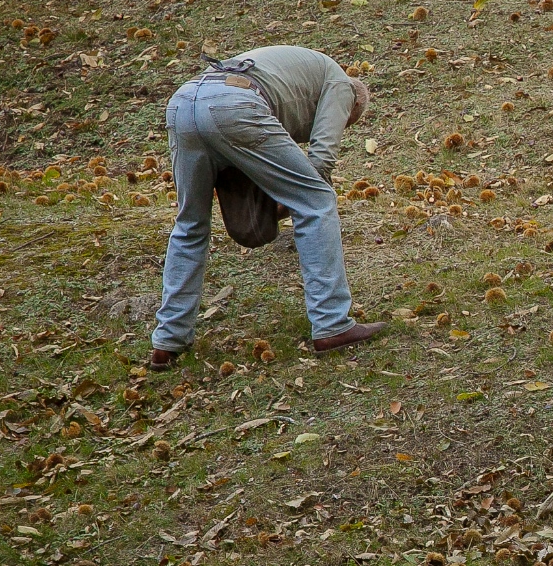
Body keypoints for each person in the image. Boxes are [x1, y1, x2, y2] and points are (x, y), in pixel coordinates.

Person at [149, 45, 381, 369]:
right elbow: (321, 164)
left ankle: (167, 342)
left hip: (184, 101)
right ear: (352, 106)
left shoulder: (298, 80)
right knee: (317, 202)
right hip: (236, 104)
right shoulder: (343, 85)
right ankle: (332, 324)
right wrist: (292, 201)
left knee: (189, 225)